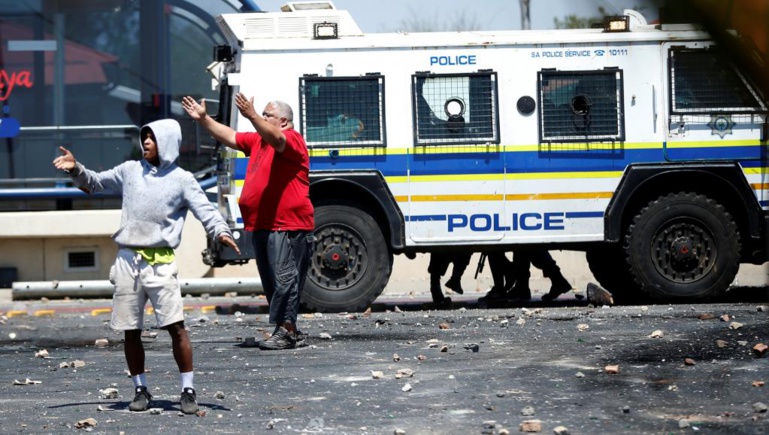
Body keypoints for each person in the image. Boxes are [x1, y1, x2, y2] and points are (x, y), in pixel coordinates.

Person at [52, 119, 240, 414]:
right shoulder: (130, 170)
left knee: (176, 327)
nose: (146, 142)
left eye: (152, 137)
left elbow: (206, 210)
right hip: (128, 260)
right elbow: (95, 183)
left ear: (166, 141)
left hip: (160, 261)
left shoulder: (182, 179)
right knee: (130, 329)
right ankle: (140, 389)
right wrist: (76, 168)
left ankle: (187, 390)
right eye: (144, 136)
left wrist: (222, 232)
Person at [182, 93, 314, 351]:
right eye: (262, 114)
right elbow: (230, 136)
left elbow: (277, 138)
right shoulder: (258, 141)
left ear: (284, 122)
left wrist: (252, 115)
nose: (262, 118)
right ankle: (288, 329)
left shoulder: (292, 139)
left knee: (285, 279)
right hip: (264, 224)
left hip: (287, 225)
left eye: (268, 115)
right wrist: (204, 119)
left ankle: (287, 332)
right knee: (274, 281)